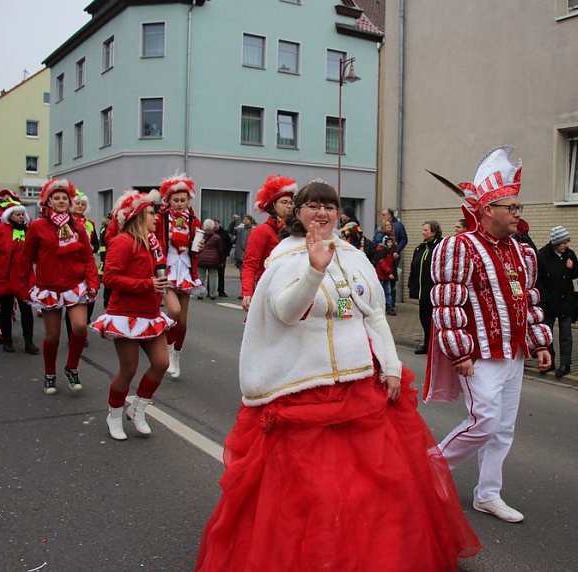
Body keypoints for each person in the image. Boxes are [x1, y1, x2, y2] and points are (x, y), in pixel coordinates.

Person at [195, 180, 481, 570]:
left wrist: (392, 367)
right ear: (297, 213)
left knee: (376, 489)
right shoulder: (285, 256)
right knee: (316, 494)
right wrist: (314, 271)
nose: (322, 213)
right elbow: (285, 311)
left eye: (329, 206)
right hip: (303, 391)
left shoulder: (354, 255)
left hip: (360, 387)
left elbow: (375, 313)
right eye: (313, 206)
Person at [427, 145, 552, 523]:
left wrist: (540, 341)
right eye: (511, 207)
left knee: (503, 428)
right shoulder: (458, 246)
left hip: (512, 352)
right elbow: (447, 303)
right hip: (479, 353)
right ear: (487, 210)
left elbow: (528, 299)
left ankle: (488, 494)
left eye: (519, 207)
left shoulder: (522, 251)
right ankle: (427, 467)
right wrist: (459, 352)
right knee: (483, 421)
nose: (518, 214)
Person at [92, 189, 175, 440]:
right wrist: (147, 284)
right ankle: (114, 415)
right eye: (151, 213)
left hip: (150, 313)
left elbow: (156, 276)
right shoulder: (122, 242)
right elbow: (110, 278)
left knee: (161, 363)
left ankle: (138, 409)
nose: (156, 217)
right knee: (128, 370)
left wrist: (161, 286)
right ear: (137, 216)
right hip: (126, 314)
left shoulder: (152, 243)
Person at [19, 178, 99, 395]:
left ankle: (72, 368)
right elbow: (26, 259)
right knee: (53, 336)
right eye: (57, 198)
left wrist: (92, 281)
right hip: (49, 287)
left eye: (65, 198)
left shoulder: (78, 226)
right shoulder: (37, 227)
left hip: (75, 285)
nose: (61, 201)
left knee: (80, 327)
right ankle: (49, 374)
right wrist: (27, 284)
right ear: (48, 201)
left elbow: (87, 257)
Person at [0, 200, 39, 354]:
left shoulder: (29, 230)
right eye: (17, 214)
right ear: (9, 216)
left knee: (26, 309)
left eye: (22, 214)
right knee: (5, 309)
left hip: (25, 277)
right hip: (5, 276)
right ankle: (7, 340)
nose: (20, 217)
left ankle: (29, 342)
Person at [156, 175, 202, 379]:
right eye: (176, 200)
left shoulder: (193, 220)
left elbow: (197, 247)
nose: (179, 204)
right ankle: (166, 348)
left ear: (189, 200)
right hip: (167, 269)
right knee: (173, 311)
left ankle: (176, 355)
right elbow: (155, 241)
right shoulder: (162, 218)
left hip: (186, 269)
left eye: (183, 200)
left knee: (182, 322)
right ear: (169, 200)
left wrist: (199, 246)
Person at [240, 175, 296, 312]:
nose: (289, 206)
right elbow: (250, 264)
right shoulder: (261, 231)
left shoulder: (299, 231)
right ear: (273, 206)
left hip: (293, 289)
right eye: (284, 202)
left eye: (291, 202)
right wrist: (247, 292)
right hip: (269, 289)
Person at [536, 225, 578, 378]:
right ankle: (550, 361)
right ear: (555, 243)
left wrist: (572, 267)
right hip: (549, 302)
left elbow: (576, 274)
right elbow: (538, 279)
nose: (566, 245)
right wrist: (545, 297)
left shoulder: (570, 255)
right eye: (563, 243)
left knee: (566, 334)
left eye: (567, 242)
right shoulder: (542, 255)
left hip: (566, 301)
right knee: (547, 334)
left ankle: (565, 364)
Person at [64, 191, 99, 341]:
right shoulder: (65, 222)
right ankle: (73, 334)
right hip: (71, 265)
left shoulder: (90, 224)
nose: (80, 206)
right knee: (72, 301)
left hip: (88, 265)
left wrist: (92, 247)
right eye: (77, 203)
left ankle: (83, 324)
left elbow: (97, 244)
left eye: (83, 204)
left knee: (90, 297)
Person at [408, 220, 442, 355]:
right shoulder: (420, 248)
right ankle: (427, 344)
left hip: (433, 291)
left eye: (425, 230)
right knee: (424, 319)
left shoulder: (439, 247)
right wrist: (412, 284)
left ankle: (435, 346)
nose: (423, 232)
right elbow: (414, 267)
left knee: (433, 321)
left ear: (433, 232)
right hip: (422, 291)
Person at [375, 208, 408, 309]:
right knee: (383, 282)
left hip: (393, 259)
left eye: (384, 214)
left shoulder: (398, 226)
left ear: (390, 215)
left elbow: (403, 239)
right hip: (383, 260)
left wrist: (396, 251)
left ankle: (390, 303)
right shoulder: (380, 231)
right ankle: (384, 304)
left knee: (391, 281)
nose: (382, 216)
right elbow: (375, 243)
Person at [196, 219, 224, 300]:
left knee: (201, 276)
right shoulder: (216, 237)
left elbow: (196, 247)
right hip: (213, 260)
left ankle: (200, 293)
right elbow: (220, 250)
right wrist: (221, 260)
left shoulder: (200, 235)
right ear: (212, 226)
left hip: (201, 258)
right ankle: (213, 293)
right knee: (213, 277)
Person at [373, 232, 396, 315]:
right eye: (388, 242)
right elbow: (382, 263)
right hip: (382, 275)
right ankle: (380, 307)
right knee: (382, 291)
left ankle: (388, 306)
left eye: (391, 242)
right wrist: (389, 272)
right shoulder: (382, 251)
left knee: (388, 292)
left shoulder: (390, 251)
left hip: (386, 275)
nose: (390, 244)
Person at [233, 215, 255, 283]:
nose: (245, 221)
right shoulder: (240, 230)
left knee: (250, 276)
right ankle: (245, 291)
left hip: (249, 256)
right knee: (242, 276)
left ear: (251, 221)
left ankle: (251, 291)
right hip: (240, 257)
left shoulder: (254, 230)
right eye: (244, 219)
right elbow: (230, 230)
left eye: (247, 219)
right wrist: (234, 221)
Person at [213, 218, 232, 298]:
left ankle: (221, 291)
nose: (215, 226)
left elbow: (229, 244)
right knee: (212, 274)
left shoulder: (224, 233)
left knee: (221, 275)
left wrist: (226, 253)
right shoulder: (210, 233)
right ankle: (211, 290)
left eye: (216, 224)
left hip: (222, 256)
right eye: (213, 224)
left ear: (219, 224)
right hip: (212, 257)